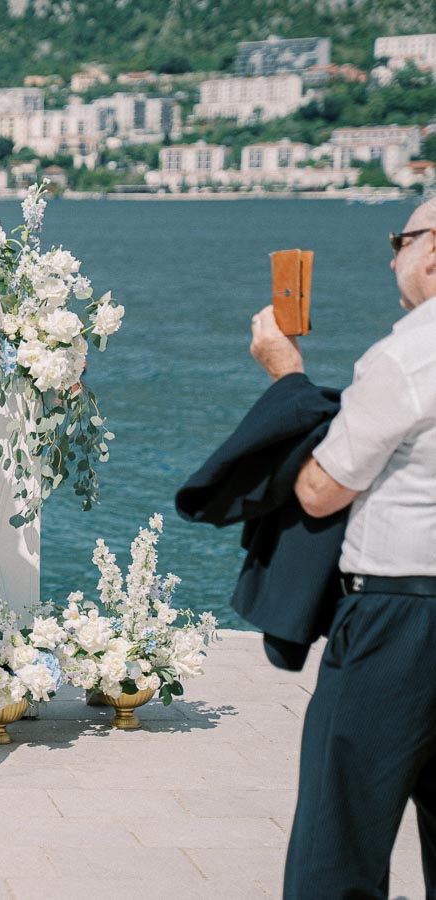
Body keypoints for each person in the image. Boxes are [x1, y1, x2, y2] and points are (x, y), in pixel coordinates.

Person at [249, 198, 436, 900]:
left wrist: (288, 382)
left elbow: (323, 491)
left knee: (339, 846)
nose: (393, 258)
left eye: (400, 240)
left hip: (401, 619)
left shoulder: (409, 354)